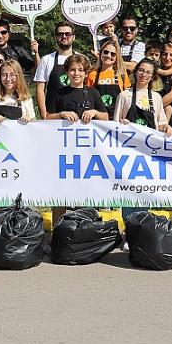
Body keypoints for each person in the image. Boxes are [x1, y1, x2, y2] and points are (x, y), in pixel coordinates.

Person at [46, 53, 109, 225]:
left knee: (86, 191)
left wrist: (95, 112)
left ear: (86, 73)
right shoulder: (59, 93)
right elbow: (47, 118)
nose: (76, 74)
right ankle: (57, 231)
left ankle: (86, 230)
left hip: (87, 152)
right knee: (60, 193)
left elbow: (106, 117)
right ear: (67, 72)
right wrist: (61, 114)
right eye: (72, 70)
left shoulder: (93, 93)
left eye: (80, 70)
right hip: (63, 151)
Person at [115, 58, 172, 224]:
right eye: (141, 70)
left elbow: (160, 122)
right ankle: (128, 229)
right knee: (127, 189)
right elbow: (115, 125)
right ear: (135, 72)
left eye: (148, 72)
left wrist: (166, 128)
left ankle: (141, 228)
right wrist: (124, 125)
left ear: (153, 76)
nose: (144, 74)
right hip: (128, 151)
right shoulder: (123, 95)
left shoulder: (155, 98)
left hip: (148, 152)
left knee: (144, 189)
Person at [34, 22, 75, 119]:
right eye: (60, 34)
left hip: (77, 116)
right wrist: (44, 115)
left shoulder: (81, 59)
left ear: (74, 37)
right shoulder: (46, 60)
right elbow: (40, 89)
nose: (64, 36)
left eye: (67, 34)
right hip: (53, 116)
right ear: (56, 37)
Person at [86, 39, 130, 116]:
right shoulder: (92, 74)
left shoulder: (122, 74)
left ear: (117, 57)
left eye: (113, 54)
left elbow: (127, 99)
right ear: (100, 53)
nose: (108, 56)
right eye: (106, 52)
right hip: (98, 118)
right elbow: (88, 98)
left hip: (117, 117)